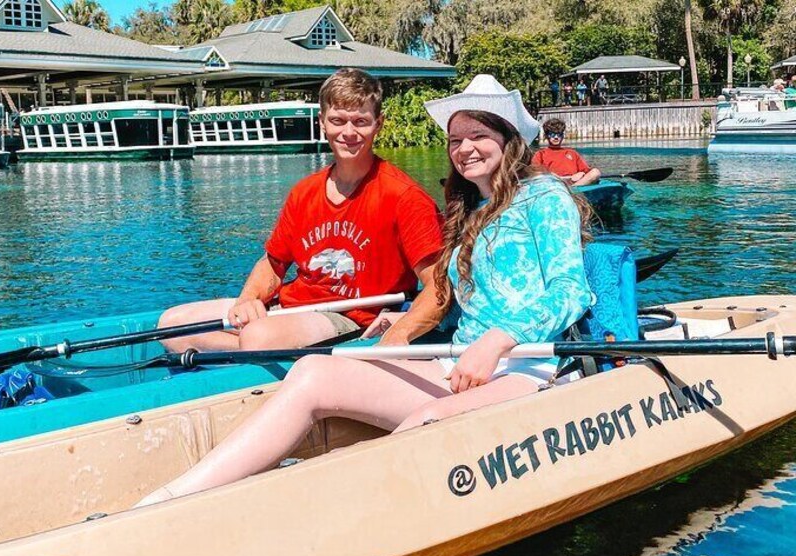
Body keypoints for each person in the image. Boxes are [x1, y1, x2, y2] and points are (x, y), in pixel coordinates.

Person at [135, 74, 593, 506]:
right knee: (314, 372)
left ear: (508, 138)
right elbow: (471, 299)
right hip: (458, 362)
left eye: (479, 136)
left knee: (424, 427)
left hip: (529, 365)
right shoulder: (468, 208)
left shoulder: (544, 195)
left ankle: (339, 506)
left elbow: (571, 291)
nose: (466, 148)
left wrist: (498, 340)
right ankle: (175, 498)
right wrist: (407, 318)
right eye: (456, 140)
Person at [157, 69, 445, 353]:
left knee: (257, 338)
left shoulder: (405, 197)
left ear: (378, 124)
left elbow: (438, 286)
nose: (348, 132)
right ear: (322, 122)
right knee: (172, 325)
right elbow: (273, 264)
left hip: (349, 318)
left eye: (361, 121)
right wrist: (249, 298)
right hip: (292, 305)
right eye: (337, 121)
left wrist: (402, 331)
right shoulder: (304, 192)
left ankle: (247, 352)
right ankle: (249, 354)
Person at [532, 118, 602, 186]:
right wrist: (554, 176)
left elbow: (587, 171)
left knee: (596, 172)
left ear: (562, 136)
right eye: (552, 134)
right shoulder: (540, 154)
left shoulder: (572, 153)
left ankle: (573, 189)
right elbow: (535, 174)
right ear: (547, 136)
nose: (556, 137)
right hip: (552, 183)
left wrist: (582, 173)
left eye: (559, 134)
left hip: (574, 182)